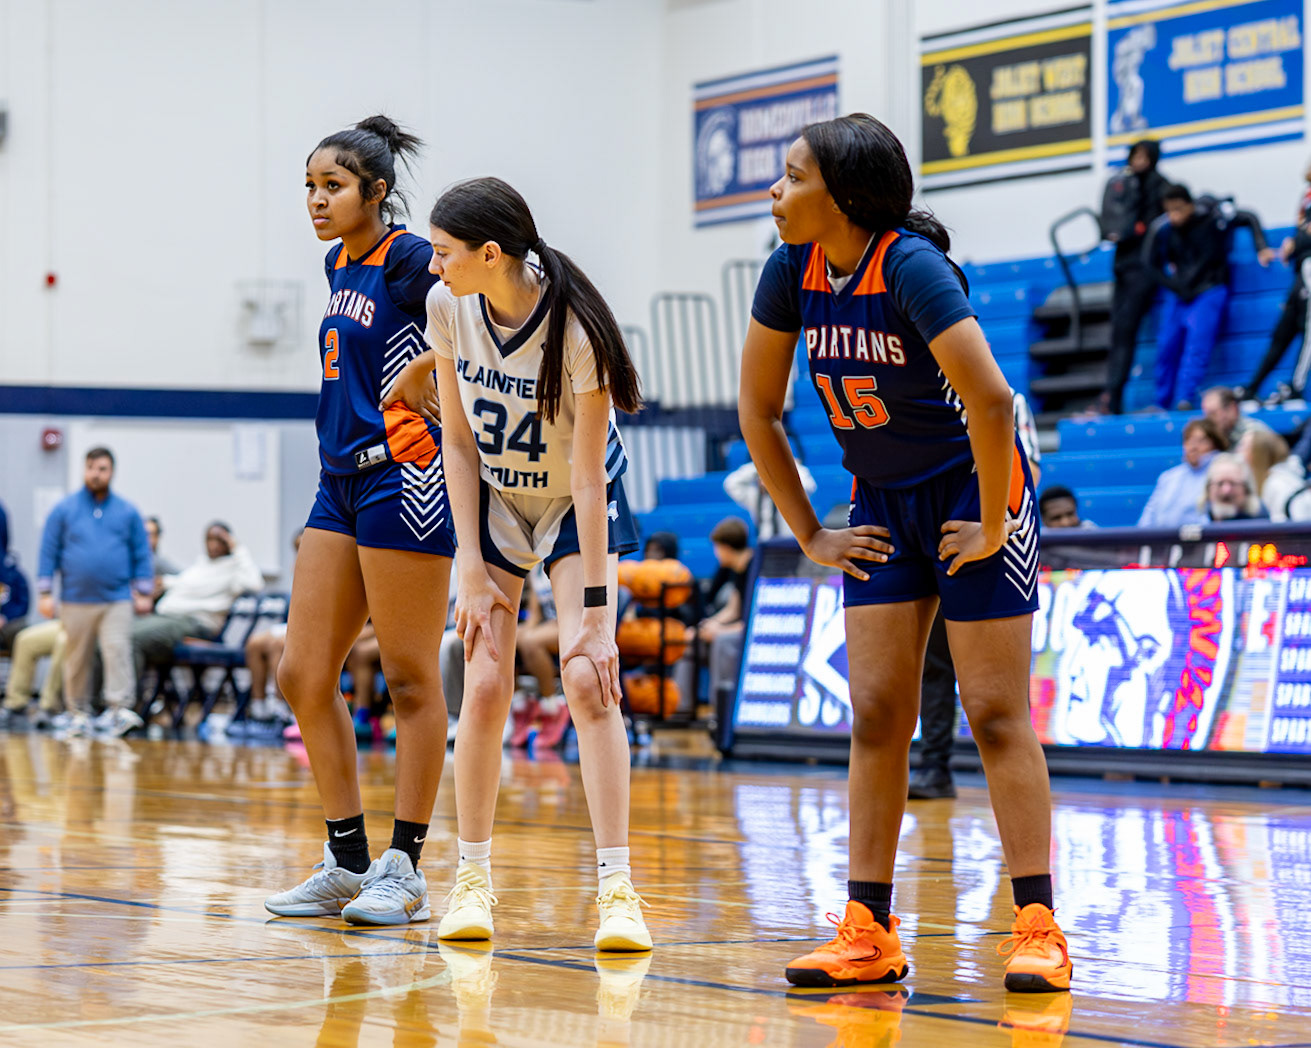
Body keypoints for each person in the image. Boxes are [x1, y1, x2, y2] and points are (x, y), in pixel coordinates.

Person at [740, 113, 1069, 992]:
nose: (775, 191)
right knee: (878, 713)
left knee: (994, 713)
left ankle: (1037, 927)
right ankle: (869, 931)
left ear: (844, 197)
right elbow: (757, 413)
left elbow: (991, 402)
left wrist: (994, 523)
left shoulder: (910, 267)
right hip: (882, 498)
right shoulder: (789, 270)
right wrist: (809, 532)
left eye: (793, 176)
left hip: (973, 490)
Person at [398, 175, 649, 951]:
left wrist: (598, 618)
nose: (433, 265)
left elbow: (588, 479)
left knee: (586, 676)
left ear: (490, 253)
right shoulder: (447, 308)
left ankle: (617, 891)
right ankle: (471, 880)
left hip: (574, 500)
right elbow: (456, 441)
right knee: (480, 679)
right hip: (498, 500)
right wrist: (469, 567)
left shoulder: (575, 329)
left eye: (443, 251)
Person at [263, 116, 456, 928]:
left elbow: (486, 316)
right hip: (337, 481)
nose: (316, 199)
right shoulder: (338, 261)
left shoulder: (410, 258)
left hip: (404, 476)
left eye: (333, 186)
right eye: (310, 186)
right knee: (302, 673)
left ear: (376, 192)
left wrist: (427, 369)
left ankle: (403, 869)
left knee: (410, 677)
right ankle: (346, 860)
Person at [37, 447, 153, 738]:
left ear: (111, 472)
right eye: (91, 468)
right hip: (75, 599)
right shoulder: (64, 510)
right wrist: (45, 592)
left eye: (102, 469)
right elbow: (49, 550)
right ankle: (78, 712)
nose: (96, 474)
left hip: (116, 599)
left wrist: (143, 590)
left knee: (118, 651)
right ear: (84, 470)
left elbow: (141, 551)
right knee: (76, 657)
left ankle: (118, 710)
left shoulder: (127, 511)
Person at [1142, 184, 1273, 410]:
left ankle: (1185, 398)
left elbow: (1249, 216)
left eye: (1178, 209)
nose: (1174, 216)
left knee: (1197, 346)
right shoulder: (1162, 227)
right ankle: (1161, 402)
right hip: (1180, 293)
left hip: (1209, 290)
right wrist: (1173, 285)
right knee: (1166, 346)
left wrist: (1261, 247)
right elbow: (1148, 263)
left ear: (1190, 205)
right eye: (1169, 210)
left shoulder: (1214, 217)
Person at [132, 521, 264, 674]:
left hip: (194, 623)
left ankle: (125, 689)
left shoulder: (234, 569)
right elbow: (183, 581)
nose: (213, 545)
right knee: (118, 633)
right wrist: (163, 582)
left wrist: (238, 548)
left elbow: (255, 584)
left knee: (132, 638)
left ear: (228, 542)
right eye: (209, 539)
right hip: (167, 618)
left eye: (219, 540)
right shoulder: (202, 565)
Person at [1097, 140, 1169, 415]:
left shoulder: (1160, 186)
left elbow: (1155, 229)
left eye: (1144, 155)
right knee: (1118, 332)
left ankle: (1113, 397)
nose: (1138, 161)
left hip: (1144, 269)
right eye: (1135, 155)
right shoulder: (1122, 184)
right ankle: (1111, 397)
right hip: (1123, 267)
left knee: (1125, 331)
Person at [1238, 166, 1311, 404]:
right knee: (1282, 332)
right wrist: (1295, 243)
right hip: (1301, 273)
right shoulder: (1307, 194)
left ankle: (1297, 386)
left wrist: (1297, 242)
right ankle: (1253, 387)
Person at [691, 517, 753, 708]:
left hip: (752, 631)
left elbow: (754, 620)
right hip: (741, 627)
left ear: (725, 547)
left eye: (716, 547)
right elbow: (733, 609)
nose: (716, 552)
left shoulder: (755, 567)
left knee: (722, 641)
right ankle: (683, 707)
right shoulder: (738, 568)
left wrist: (721, 631)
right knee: (695, 639)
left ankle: (720, 710)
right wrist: (709, 625)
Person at [1136, 418, 1225, 527]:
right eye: (1189, 440)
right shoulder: (1168, 477)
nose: (1193, 447)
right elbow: (1148, 516)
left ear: (1214, 444)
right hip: (1161, 536)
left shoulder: (1223, 473)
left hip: (1203, 536)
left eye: (1201, 441)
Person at [1199, 453, 1268, 522]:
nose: (1226, 490)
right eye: (1220, 483)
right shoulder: (1200, 520)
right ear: (1208, 489)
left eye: (1233, 483)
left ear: (1246, 489)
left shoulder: (1261, 522)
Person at [1200, 386, 1273, 447]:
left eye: (1213, 414)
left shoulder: (1256, 434)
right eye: (1206, 415)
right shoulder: (1211, 438)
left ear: (1232, 409)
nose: (1208, 420)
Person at [0, 548, 30, 655]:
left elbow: (23, 606)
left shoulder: (16, 576)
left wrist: (5, 618)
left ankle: (19, 664)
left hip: (10, 624)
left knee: (19, 630)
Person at [144, 516, 180, 594]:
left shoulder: (157, 562)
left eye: (152, 535)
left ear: (158, 537)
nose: (148, 539)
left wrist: (164, 582)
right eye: (145, 534)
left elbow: (184, 576)